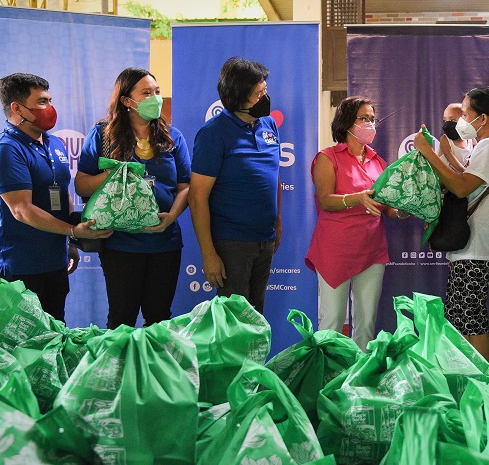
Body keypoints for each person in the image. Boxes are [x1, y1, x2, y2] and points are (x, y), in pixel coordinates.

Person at [0, 73, 113, 321]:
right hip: (19, 266)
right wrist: (73, 231)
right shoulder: (5, 150)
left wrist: (70, 244)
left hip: (54, 262)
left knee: (54, 334)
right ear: (17, 108)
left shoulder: (54, 144)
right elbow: (22, 209)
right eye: (42, 101)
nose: (50, 108)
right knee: (24, 345)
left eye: (50, 100)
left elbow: (63, 194)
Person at [75, 67, 191, 328]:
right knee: (121, 318)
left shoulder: (173, 137)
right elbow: (81, 185)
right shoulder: (103, 136)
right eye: (146, 93)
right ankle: (118, 369)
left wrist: (170, 217)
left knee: (160, 318)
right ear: (127, 101)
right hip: (121, 243)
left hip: (165, 243)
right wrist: (113, 174)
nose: (155, 98)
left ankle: (154, 369)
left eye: (157, 92)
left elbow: (185, 186)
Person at [414, 87, 489, 366]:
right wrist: (446, 153)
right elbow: (467, 180)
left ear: (482, 118)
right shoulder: (484, 146)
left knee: (472, 319)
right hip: (471, 245)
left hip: (478, 245)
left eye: (465, 113)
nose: (460, 119)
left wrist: (429, 153)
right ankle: (470, 376)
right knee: (462, 316)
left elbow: (460, 188)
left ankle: (484, 382)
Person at [304, 96, 408, 351]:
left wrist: (407, 208)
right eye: (364, 118)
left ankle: (359, 382)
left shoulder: (379, 162)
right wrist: (357, 198)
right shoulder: (327, 158)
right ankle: (326, 379)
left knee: (366, 324)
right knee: (331, 322)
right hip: (335, 250)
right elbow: (326, 200)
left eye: (373, 119)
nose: (370, 124)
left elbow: (387, 210)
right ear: (347, 121)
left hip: (372, 249)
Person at [188, 57, 281, 315]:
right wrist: (209, 254)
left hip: (265, 238)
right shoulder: (213, 134)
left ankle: (254, 359)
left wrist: (277, 223)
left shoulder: (269, 124)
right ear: (238, 97)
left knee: (256, 317)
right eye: (258, 94)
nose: (265, 97)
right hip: (232, 243)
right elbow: (197, 197)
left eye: (265, 90)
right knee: (234, 323)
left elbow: (274, 176)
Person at [438, 102, 474, 173]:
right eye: (445, 120)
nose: (447, 124)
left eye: (452, 120)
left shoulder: (470, 139)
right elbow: (452, 160)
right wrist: (466, 175)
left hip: (461, 179)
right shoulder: (445, 139)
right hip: (444, 180)